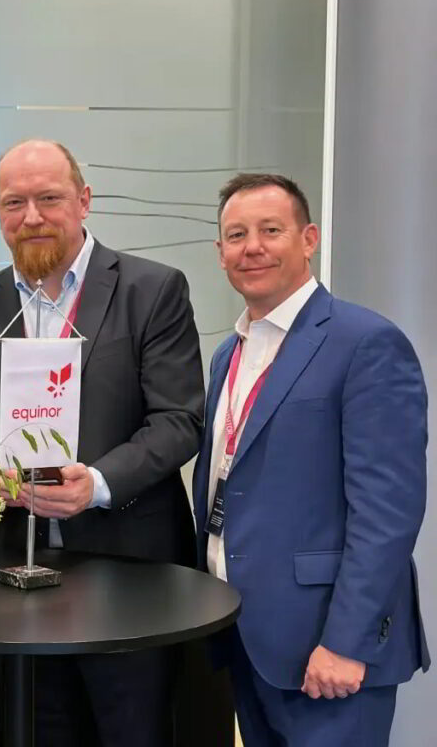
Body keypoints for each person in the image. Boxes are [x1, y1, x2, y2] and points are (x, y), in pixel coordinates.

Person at [0, 139, 204, 746]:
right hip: (15, 573)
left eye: (49, 198)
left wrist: (99, 484)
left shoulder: (153, 290)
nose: (32, 216)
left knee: (133, 731)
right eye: (14, 202)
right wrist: (0, 470)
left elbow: (178, 418)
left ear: (84, 201)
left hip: (131, 575)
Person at [193, 173, 429, 746]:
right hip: (249, 636)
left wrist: (346, 642)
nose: (252, 247)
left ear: (309, 239)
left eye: (271, 230)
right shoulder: (229, 353)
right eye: (236, 234)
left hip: (327, 647)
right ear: (220, 253)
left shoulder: (366, 342)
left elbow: (387, 513)